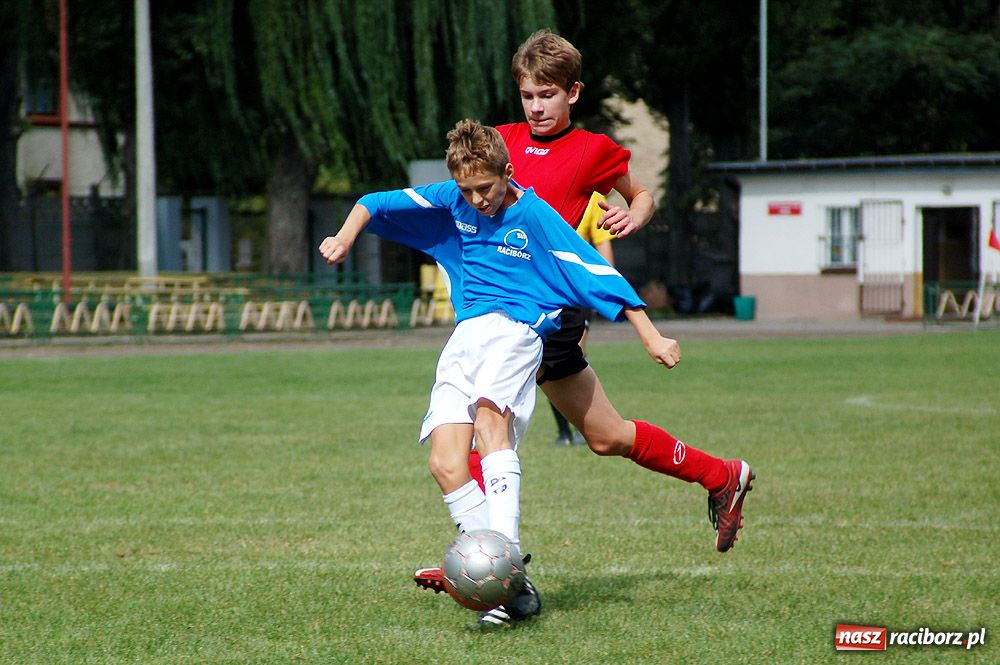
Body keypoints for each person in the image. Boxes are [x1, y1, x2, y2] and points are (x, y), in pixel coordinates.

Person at [415, 31, 755, 606]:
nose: (536, 107)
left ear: (573, 92)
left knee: (484, 423)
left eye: (547, 94)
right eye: (527, 96)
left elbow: (639, 194)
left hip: (547, 311)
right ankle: (721, 475)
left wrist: (634, 217)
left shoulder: (593, 149)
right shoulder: (500, 142)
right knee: (605, 437)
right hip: (506, 308)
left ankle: (489, 563)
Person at [319, 119, 680, 630]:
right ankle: (500, 577)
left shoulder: (534, 213)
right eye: (466, 190)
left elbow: (596, 271)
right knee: (445, 464)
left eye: (484, 188)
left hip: (517, 333)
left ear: (508, 173)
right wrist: (344, 235)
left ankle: (503, 580)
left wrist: (651, 336)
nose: (476, 199)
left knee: (492, 423)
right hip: (466, 339)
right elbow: (373, 203)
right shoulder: (457, 197)